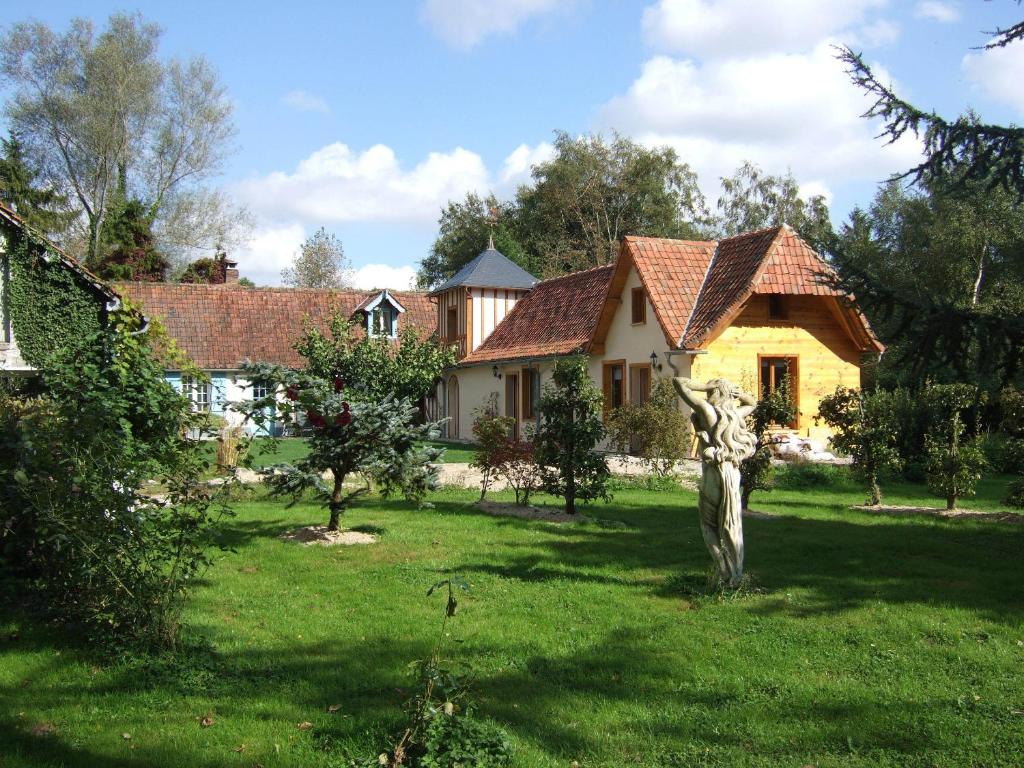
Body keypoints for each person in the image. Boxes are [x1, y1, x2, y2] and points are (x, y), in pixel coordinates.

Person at [672, 378, 757, 586]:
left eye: (711, 391)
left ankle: (722, 567)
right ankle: (736, 571)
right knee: (731, 523)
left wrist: (708, 387)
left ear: (714, 393)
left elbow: (679, 383)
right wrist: (736, 392)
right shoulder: (736, 415)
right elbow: (752, 403)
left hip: (713, 474)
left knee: (708, 524)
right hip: (732, 474)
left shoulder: (707, 412)